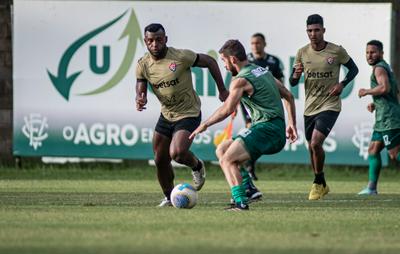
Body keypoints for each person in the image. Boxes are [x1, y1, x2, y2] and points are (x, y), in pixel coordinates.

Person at [190, 39, 298, 211]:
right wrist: (291, 124)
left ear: (233, 60)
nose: (224, 66)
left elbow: (227, 109)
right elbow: (289, 96)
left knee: (227, 160)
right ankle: (249, 189)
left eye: (224, 61)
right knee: (222, 149)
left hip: (266, 129)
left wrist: (205, 124)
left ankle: (240, 202)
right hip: (271, 128)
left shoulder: (240, 80)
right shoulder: (262, 71)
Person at [135, 23, 229, 207]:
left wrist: (222, 89)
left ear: (166, 39)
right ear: (145, 41)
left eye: (159, 40)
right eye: (150, 40)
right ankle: (169, 197)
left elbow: (210, 61)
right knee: (160, 159)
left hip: (189, 112)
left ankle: (197, 166)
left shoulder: (180, 56)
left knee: (177, 153)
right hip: (166, 115)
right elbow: (141, 84)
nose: (155, 44)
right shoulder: (143, 64)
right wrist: (140, 97)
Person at [289, 14, 359, 200]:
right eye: (310, 31)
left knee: (315, 143)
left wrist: (342, 84)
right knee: (312, 148)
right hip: (309, 107)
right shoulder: (302, 52)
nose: (313, 34)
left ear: (323, 30)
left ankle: (317, 182)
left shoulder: (336, 51)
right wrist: (295, 75)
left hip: (330, 104)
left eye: (317, 30)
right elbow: (293, 82)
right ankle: (321, 183)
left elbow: (354, 69)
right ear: (307, 32)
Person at [358, 40, 400, 195]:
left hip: (389, 119)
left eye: (373, 52)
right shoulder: (385, 67)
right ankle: (371, 188)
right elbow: (392, 92)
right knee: (373, 150)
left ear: (381, 53)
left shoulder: (379, 68)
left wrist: (366, 91)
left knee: (394, 153)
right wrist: (375, 104)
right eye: (367, 52)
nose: (369, 55)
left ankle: (371, 188)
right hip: (383, 118)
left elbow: (385, 87)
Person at [241, 33, 285, 181]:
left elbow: (281, 86)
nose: (255, 46)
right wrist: (246, 117)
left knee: (255, 141)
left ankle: (248, 171)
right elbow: (240, 93)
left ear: (264, 44)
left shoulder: (273, 62)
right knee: (249, 141)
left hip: (269, 110)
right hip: (251, 110)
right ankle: (249, 169)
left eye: (258, 43)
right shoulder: (246, 61)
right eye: (252, 43)